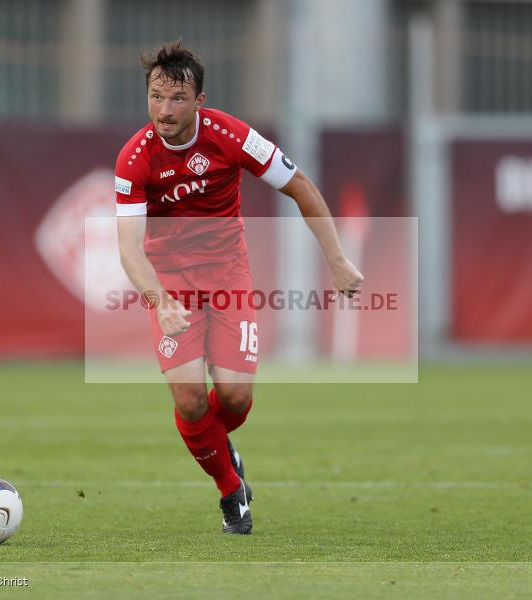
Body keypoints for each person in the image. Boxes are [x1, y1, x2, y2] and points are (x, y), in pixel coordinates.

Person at [114, 41, 363, 534]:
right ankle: (232, 490)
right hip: (173, 287)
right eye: (157, 97)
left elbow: (302, 189)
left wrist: (337, 261)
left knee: (234, 397)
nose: (165, 110)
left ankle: (213, 443)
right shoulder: (134, 159)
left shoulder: (233, 136)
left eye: (178, 99)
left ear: (200, 101)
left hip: (228, 276)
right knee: (188, 399)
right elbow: (128, 247)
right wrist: (160, 302)